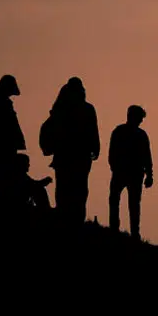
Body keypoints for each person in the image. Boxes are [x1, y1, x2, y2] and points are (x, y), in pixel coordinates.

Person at [39, 77, 99, 223]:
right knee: (75, 188)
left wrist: (95, 147)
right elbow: (93, 131)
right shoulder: (77, 109)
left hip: (71, 156)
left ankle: (70, 217)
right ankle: (71, 218)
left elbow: (93, 131)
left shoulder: (62, 109)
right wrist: (95, 148)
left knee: (69, 188)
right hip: (73, 156)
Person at [107, 105, 154, 237]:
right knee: (123, 202)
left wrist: (149, 174)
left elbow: (147, 156)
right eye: (140, 118)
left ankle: (128, 231)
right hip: (127, 173)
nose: (141, 121)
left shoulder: (122, 132)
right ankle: (120, 230)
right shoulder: (133, 134)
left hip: (130, 173)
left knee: (129, 203)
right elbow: (112, 153)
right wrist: (149, 174)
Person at [0, 74, 26, 195]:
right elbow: (7, 125)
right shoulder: (1, 102)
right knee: (3, 171)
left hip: (3, 143)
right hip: (4, 144)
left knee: (2, 172)